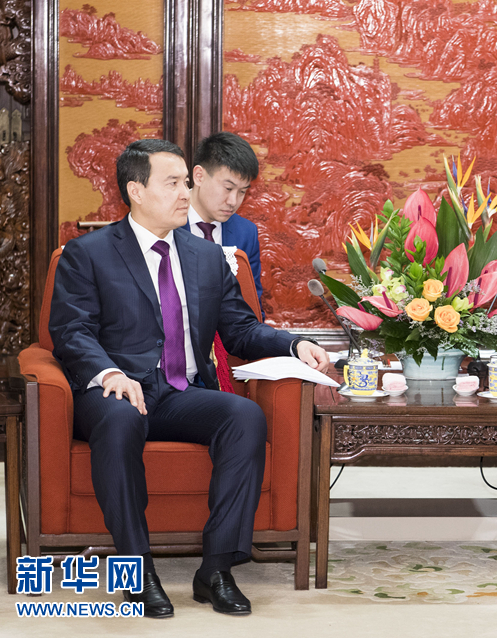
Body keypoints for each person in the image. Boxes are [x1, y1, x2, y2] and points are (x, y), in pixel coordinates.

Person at [49, 139, 329, 618]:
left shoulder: (206, 257)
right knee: (120, 419)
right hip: (115, 392)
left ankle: (215, 570)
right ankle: (137, 571)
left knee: (243, 416)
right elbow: (71, 331)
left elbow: (240, 328)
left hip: (180, 393)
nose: (185, 193)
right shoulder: (88, 254)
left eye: (185, 182)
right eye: (173, 183)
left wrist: (292, 344)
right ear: (136, 190)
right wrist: (109, 372)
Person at [185, 131, 264, 311]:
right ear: (199, 176)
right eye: (228, 188)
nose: (233, 201)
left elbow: (251, 306)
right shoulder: (164, 222)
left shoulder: (246, 232)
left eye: (242, 191)